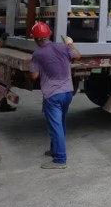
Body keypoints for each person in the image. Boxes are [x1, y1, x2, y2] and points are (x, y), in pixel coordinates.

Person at [29, 21, 80, 169]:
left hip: (52, 95)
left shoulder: (38, 54)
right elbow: (77, 56)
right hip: (68, 92)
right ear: (49, 35)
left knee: (55, 126)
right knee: (59, 124)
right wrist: (70, 44)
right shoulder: (63, 47)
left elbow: (34, 76)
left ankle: (60, 160)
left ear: (36, 39)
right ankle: (54, 150)